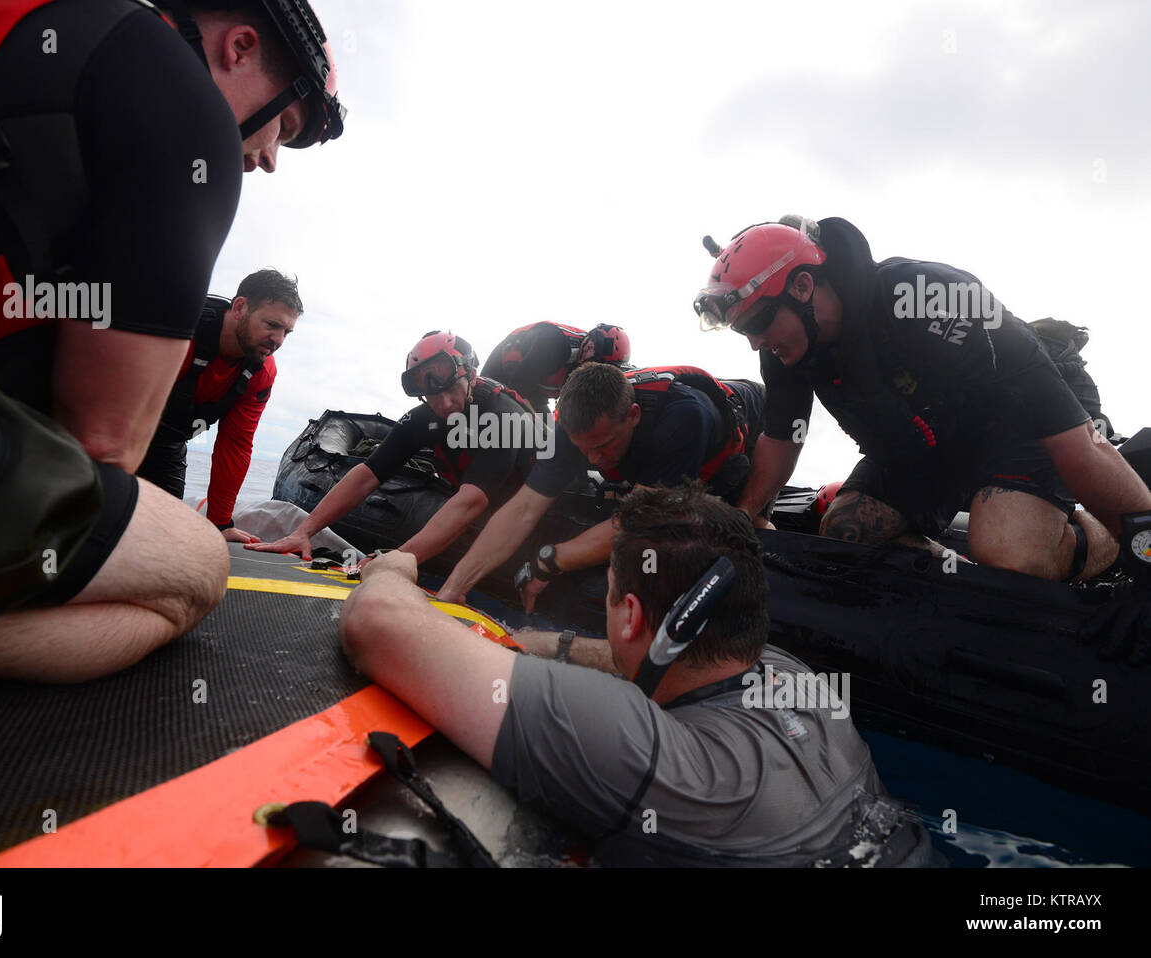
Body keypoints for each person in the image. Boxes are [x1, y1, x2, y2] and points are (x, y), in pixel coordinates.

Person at [0, 0, 346, 681]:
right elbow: (100, 450)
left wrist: (217, 513)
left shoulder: (38, 46)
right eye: (282, 127)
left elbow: (219, 447)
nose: (266, 160)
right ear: (237, 48)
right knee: (196, 568)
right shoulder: (185, 113)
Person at [340, 480, 936, 866]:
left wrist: (391, 571)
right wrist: (543, 644)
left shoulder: (643, 750)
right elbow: (651, 658)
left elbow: (377, 625)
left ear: (630, 616)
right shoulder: (797, 677)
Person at [693, 215, 1151, 584]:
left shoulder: (931, 296)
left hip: (1024, 420)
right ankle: (967, 584)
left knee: (1011, 555)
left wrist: (1143, 545)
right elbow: (781, 438)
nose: (754, 343)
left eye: (756, 324)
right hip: (922, 437)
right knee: (847, 530)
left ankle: (1104, 537)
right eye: (742, 330)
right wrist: (745, 515)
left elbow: (1072, 439)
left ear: (802, 287)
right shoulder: (787, 345)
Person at [435, 361, 764, 612]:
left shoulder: (683, 418)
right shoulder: (569, 430)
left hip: (748, 430)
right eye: (584, 449)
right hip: (659, 455)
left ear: (632, 415)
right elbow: (522, 510)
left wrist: (550, 560)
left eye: (604, 445)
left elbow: (640, 524)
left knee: (738, 521)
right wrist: (455, 586)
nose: (595, 459)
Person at [248, 331, 542, 566]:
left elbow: (471, 501)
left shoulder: (502, 417)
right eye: (431, 396)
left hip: (536, 500)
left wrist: (396, 559)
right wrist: (303, 531)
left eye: (450, 391)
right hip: (478, 488)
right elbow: (367, 474)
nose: (443, 405)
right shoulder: (426, 417)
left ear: (472, 377)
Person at [138, 269, 301, 543]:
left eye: (286, 331)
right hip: (118, 428)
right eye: (272, 324)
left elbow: (235, 444)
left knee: (161, 537)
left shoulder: (261, 373)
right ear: (239, 307)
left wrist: (220, 523)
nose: (279, 340)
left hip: (167, 444)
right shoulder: (180, 330)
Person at [480, 321, 632, 410]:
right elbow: (517, 390)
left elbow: (565, 409)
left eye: (595, 356)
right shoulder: (554, 343)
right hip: (499, 380)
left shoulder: (586, 370)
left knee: (549, 440)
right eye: (592, 344)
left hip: (531, 392)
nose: (589, 349)